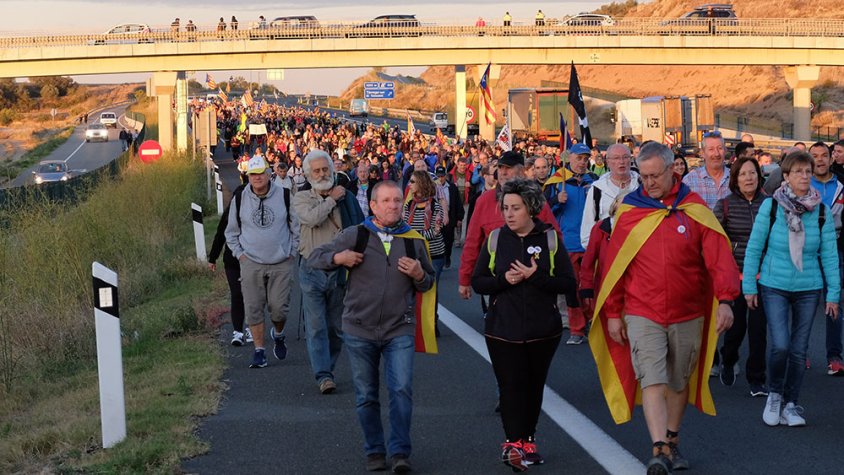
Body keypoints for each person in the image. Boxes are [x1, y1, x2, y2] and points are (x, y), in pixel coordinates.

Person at [592, 142, 740, 474]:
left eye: (654, 175)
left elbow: (719, 258)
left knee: (678, 380)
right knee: (652, 379)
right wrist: (614, 313)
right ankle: (658, 447)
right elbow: (615, 267)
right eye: (642, 176)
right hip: (642, 311)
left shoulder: (694, 208)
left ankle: (672, 440)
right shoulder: (631, 211)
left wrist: (727, 300)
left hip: (688, 312)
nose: (648, 183)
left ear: (673, 170)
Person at [309, 180, 435, 474]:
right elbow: (315, 258)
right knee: (367, 395)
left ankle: (400, 452)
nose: (392, 205)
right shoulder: (356, 235)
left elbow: (428, 282)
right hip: (359, 329)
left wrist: (419, 274)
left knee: (401, 389)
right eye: (386, 201)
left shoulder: (413, 240)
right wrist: (338, 258)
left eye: (396, 200)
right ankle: (375, 451)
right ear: (374, 206)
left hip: (398, 328)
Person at [471, 179, 577, 471]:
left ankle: (528, 439)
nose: (509, 214)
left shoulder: (550, 239)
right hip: (501, 329)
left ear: (531, 209)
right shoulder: (495, 239)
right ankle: (512, 442)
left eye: (515, 208)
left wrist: (536, 276)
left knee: (533, 386)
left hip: (543, 330)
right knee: (510, 386)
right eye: (505, 208)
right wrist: (503, 281)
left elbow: (569, 283)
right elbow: (478, 281)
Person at [742, 150, 840, 427]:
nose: (805, 176)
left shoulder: (820, 210)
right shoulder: (771, 207)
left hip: (809, 287)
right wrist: (749, 285)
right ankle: (774, 394)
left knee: (799, 350)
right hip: (774, 284)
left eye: (808, 171)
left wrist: (833, 294)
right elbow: (754, 247)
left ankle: (791, 403)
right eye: (798, 171)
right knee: (781, 345)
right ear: (785, 176)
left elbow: (830, 255)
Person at [292, 150, 365, 394]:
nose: (322, 174)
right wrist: (331, 199)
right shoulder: (301, 198)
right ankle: (323, 375)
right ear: (307, 174)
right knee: (316, 327)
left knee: (336, 327)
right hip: (312, 269)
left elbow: (360, 229)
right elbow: (312, 219)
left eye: (326, 169)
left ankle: (328, 368)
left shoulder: (348, 198)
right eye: (317, 170)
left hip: (340, 271)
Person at [225, 155, 300, 368]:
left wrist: (292, 252)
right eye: (253, 174)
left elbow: (296, 227)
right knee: (253, 308)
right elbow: (231, 232)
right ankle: (259, 351)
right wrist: (240, 255)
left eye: (261, 173)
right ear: (247, 176)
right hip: (251, 262)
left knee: (279, 309)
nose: (257, 178)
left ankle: (278, 333)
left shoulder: (284, 195)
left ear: (269, 174)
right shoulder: (240, 198)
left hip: (281, 261)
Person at [458, 151, 559, 302]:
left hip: (532, 281)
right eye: (500, 167)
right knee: (498, 323)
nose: (503, 172)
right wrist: (464, 279)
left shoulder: (536, 199)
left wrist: (552, 276)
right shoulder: (484, 201)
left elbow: (555, 238)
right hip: (496, 282)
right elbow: (472, 243)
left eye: (509, 167)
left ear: (522, 171)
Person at [713, 157, 769, 396]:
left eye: (753, 173)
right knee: (736, 327)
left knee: (759, 330)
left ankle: (756, 378)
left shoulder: (770, 204)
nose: (749, 178)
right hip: (735, 274)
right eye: (743, 174)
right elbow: (715, 240)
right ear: (735, 179)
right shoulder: (724, 205)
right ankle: (728, 358)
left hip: (764, 275)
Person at [546, 143, 598, 345]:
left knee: (592, 287)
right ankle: (577, 329)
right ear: (569, 159)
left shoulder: (593, 181)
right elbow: (544, 210)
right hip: (568, 244)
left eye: (586, 159)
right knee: (572, 289)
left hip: (591, 242)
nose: (583, 163)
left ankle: (593, 322)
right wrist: (557, 201)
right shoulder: (557, 181)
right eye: (579, 158)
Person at [806, 141, 844, 376]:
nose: (820, 160)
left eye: (824, 155)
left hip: (834, 251)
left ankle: (834, 357)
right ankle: (802, 353)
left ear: (832, 159)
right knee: (804, 305)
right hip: (805, 252)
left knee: (834, 303)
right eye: (814, 156)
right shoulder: (799, 184)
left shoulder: (841, 186)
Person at [209, 183, 251, 347]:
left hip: (251, 260)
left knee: (251, 296)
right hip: (232, 260)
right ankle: (238, 331)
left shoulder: (253, 215)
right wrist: (212, 258)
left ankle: (251, 327)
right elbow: (220, 235)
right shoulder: (229, 215)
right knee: (237, 294)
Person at [405, 170, 447, 333]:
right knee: (411, 289)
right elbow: (404, 225)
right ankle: (415, 322)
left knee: (431, 290)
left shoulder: (435, 205)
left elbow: (435, 231)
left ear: (421, 183)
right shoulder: (410, 205)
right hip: (414, 253)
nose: (410, 184)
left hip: (434, 253)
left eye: (413, 181)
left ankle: (432, 323)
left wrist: (413, 236)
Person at [580, 143, 640, 251]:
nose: (621, 162)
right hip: (607, 252)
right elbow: (587, 231)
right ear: (608, 162)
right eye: (616, 158)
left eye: (625, 157)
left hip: (638, 251)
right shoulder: (597, 189)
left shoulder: (642, 186)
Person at [683, 131, 731, 210]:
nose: (716, 154)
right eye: (711, 149)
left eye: (720, 148)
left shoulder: (736, 179)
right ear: (702, 153)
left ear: (725, 151)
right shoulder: (690, 181)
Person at [435, 166, 461, 269]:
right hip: (436, 217)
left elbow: (458, 202)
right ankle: (439, 259)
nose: (440, 178)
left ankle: (447, 256)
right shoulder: (432, 187)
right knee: (438, 238)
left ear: (446, 176)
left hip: (449, 216)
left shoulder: (452, 187)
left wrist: (459, 218)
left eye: (442, 176)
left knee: (448, 240)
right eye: (438, 176)